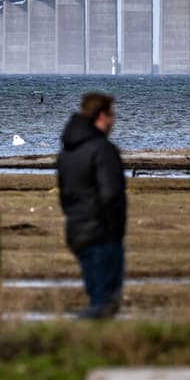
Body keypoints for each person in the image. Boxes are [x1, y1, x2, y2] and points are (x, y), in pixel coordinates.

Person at [57, 92, 127, 319]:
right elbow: (111, 195)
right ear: (101, 116)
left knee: (97, 297)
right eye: (112, 115)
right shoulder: (103, 150)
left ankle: (88, 337)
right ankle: (72, 331)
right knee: (106, 303)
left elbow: (64, 196)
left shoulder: (67, 152)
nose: (114, 121)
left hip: (77, 232)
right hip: (101, 234)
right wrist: (115, 231)